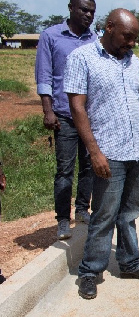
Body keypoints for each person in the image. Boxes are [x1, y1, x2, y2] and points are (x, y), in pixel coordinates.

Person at [64, 8, 139, 300]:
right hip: (108, 151)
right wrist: (94, 152)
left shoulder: (133, 60)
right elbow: (77, 108)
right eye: (127, 37)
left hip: (137, 150)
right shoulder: (82, 58)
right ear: (109, 27)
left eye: (134, 38)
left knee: (130, 212)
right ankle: (90, 270)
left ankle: (130, 263)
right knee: (104, 214)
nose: (131, 43)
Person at [35, 0, 97, 240]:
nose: (88, 15)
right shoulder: (51, 36)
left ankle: (82, 209)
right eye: (84, 10)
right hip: (64, 114)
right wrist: (47, 110)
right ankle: (62, 219)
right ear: (71, 8)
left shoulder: (95, 40)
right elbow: (44, 75)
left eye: (92, 11)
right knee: (65, 170)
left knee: (90, 166)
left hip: (90, 116)